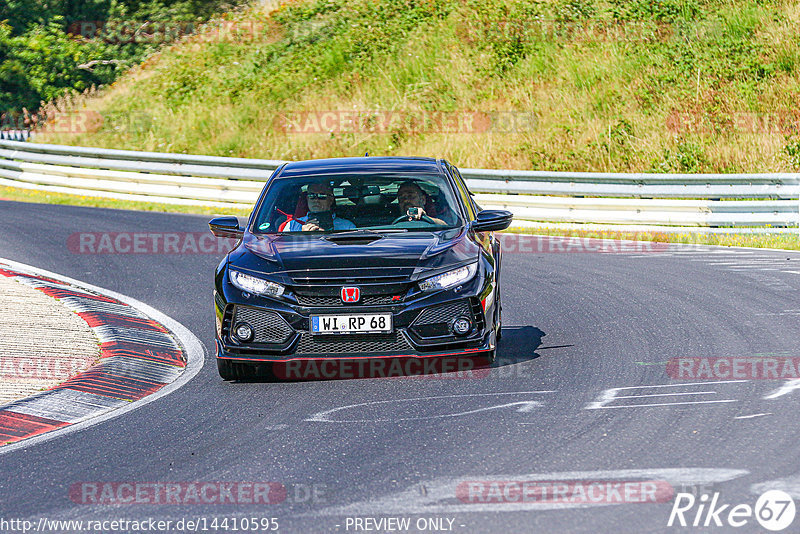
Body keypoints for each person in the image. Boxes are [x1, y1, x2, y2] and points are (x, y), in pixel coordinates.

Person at [286, 182, 355, 231]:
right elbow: (283, 248)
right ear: (307, 198)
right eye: (311, 196)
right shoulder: (292, 226)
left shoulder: (347, 227)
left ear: (331, 199)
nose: (316, 200)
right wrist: (303, 237)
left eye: (322, 196)